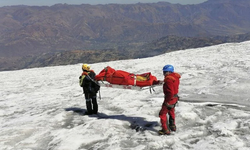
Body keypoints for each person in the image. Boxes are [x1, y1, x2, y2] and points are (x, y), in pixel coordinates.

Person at [158, 64, 181, 135]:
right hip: (175, 98)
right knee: (171, 111)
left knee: (162, 114)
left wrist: (167, 102)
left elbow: (170, 92)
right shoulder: (175, 77)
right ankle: (172, 126)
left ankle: (165, 129)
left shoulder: (168, 80)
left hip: (170, 99)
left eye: (164, 72)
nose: (163, 73)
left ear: (168, 72)